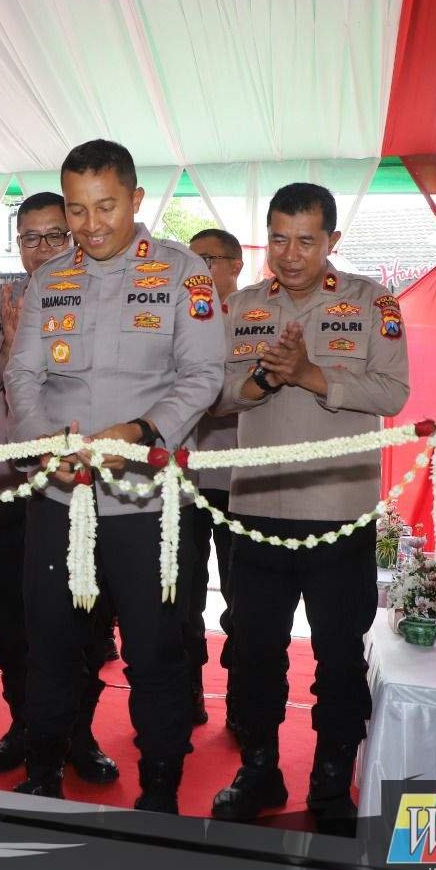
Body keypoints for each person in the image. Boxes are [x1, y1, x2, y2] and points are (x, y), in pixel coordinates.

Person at [3, 140, 225, 813]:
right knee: (50, 645)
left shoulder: (183, 273)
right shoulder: (49, 279)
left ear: (135, 199)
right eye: (77, 210)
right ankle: (44, 773)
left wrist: (140, 432)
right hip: (59, 498)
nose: (91, 224)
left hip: (146, 504)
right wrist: (47, 442)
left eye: (106, 206)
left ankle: (159, 788)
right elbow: (23, 374)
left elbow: (203, 375)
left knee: (154, 652)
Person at [209, 182, 410, 822]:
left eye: (305, 241)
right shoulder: (241, 307)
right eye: (278, 239)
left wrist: (309, 375)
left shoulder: (374, 303)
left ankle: (329, 783)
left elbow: (393, 393)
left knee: (339, 656)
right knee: (254, 652)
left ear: (332, 241)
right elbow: (213, 394)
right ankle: (259, 770)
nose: (290, 255)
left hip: (338, 514)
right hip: (257, 511)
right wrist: (263, 379)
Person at [0, 193, 117, 786]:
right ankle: (24, 728)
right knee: (16, 622)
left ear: (74, 236)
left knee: (89, 621)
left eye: (55, 236)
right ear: (17, 244)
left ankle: (79, 733)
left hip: (83, 487)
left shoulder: (103, 294)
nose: (43, 248)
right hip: (12, 486)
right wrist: (9, 342)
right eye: (31, 238)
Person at [185, 228, 244, 735]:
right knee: (181, 594)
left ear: (235, 266)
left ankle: (243, 703)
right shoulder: (178, 312)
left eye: (207, 259)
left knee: (242, 596)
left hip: (236, 478)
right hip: (181, 477)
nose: (197, 268)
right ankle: (185, 695)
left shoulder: (252, 315)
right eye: (192, 258)